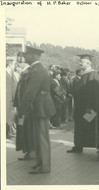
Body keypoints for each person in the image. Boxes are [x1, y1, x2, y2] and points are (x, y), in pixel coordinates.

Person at [17, 46, 56, 174]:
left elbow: (30, 93)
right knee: (38, 137)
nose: (24, 57)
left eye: (26, 55)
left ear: (33, 56)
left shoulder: (36, 70)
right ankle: (40, 163)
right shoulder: (37, 69)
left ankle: (44, 167)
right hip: (39, 107)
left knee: (42, 138)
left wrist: (21, 110)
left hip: (41, 108)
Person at [67, 54, 99, 153]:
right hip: (80, 107)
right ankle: (78, 146)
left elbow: (94, 93)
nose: (80, 63)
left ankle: (97, 146)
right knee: (80, 126)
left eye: (82, 61)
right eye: (80, 61)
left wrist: (90, 107)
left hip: (88, 108)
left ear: (89, 63)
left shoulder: (93, 75)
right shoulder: (84, 74)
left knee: (89, 127)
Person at [6, 58, 18, 139]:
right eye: (14, 64)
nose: (15, 66)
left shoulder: (11, 73)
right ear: (10, 64)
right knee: (6, 115)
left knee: (10, 116)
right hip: (6, 97)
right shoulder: (4, 72)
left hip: (11, 98)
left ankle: (8, 132)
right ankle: (6, 133)